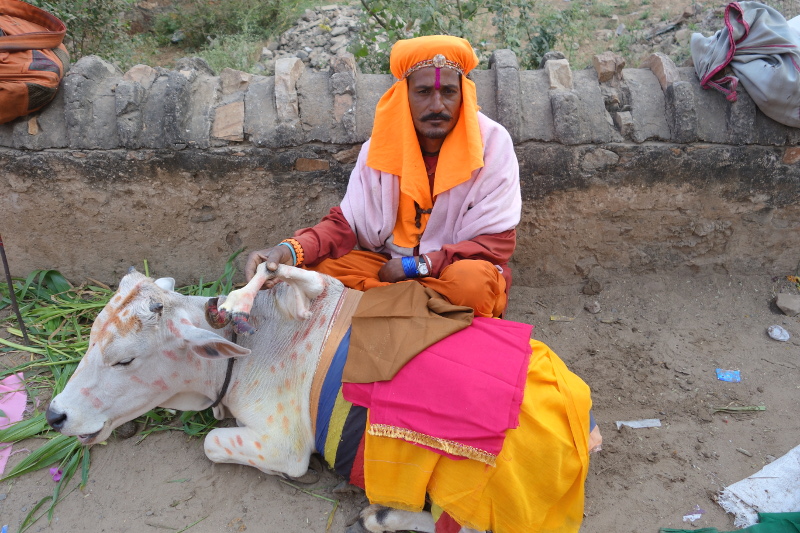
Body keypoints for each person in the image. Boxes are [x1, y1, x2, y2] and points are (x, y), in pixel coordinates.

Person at [245, 35, 521, 318]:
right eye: (424, 92)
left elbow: (496, 243)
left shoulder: (493, 144)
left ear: (464, 94)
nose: (437, 105)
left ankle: (390, 309)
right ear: (405, 95)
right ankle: (424, 312)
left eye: (449, 92)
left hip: (452, 272)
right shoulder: (378, 148)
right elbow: (344, 225)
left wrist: (416, 266)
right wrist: (286, 252)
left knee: (473, 284)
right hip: (385, 266)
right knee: (306, 271)